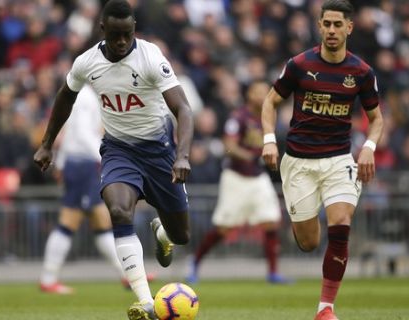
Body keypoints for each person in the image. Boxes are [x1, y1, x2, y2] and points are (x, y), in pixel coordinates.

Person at [33, 1, 194, 319]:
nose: (122, 42)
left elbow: (184, 109)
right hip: (119, 150)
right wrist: (47, 144)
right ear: (103, 29)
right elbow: (66, 95)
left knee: (182, 236)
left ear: (134, 27)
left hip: (159, 150)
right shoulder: (87, 62)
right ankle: (146, 302)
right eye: (116, 35)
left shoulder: (150, 56)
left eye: (128, 34)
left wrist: (183, 155)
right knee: (119, 210)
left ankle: (163, 232)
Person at [261, 1, 384, 320]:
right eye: (326, 24)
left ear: (349, 28)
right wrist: (269, 140)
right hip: (299, 162)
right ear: (319, 27)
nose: (331, 30)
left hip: (339, 160)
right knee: (308, 242)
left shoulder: (361, 72)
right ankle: (305, 216)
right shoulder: (299, 65)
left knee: (341, 225)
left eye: (337, 25)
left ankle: (325, 308)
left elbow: (377, 118)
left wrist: (369, 145)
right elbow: (270, 102)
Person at [39, 85, 154, 295]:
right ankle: (48, 278)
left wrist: (63, 163)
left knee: (102, 222)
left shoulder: (82, 96)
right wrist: (104, 157)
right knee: (69, 221)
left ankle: (128, 274)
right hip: (83, 165)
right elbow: (82, 133)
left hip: (79, 164)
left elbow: (71, 131)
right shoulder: (86, 98)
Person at [186, 80, 290, 284]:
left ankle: (273, 272)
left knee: (270, 221)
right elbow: (229, 145)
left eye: (265, 91)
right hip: (236, 177)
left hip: (258, 177)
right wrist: (252, 156)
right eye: (257, 91)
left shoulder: (268, 117)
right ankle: (195, 263)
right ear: (249, 95)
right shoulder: (238, 117)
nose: (262, 95)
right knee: (223, 228)